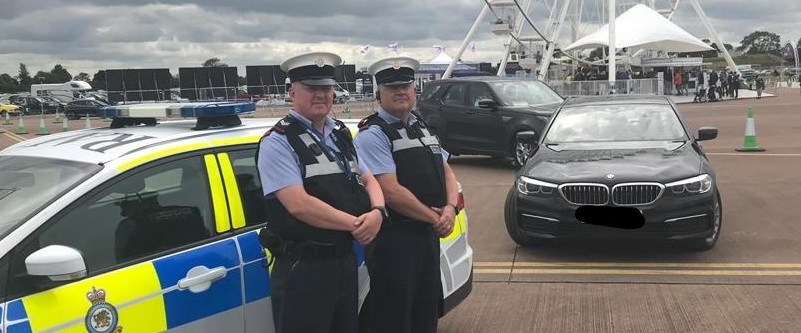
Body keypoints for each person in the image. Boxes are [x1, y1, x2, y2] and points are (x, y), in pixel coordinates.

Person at [256, 51, 385, 333]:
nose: (321, 95)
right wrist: (357, 225)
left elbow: (368, 177)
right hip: (303, 268)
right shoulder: (277, 142)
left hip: (343, 261)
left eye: (326, 88)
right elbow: (298, 204)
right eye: (311, 88)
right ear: (292, 92)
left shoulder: (339, 133)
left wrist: (377, 212)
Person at [354, 56, 460, 333]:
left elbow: (445, 170)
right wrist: (436, 218)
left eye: (405, 85)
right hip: (395, 240)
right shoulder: (373, 133)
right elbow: (389, 190)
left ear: (415, 90)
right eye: (392, 88)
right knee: (395, 315)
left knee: (425, 310)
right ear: (380, 94)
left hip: (426, 234)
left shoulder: (419, 125)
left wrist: (449, 207)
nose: (400, 92)